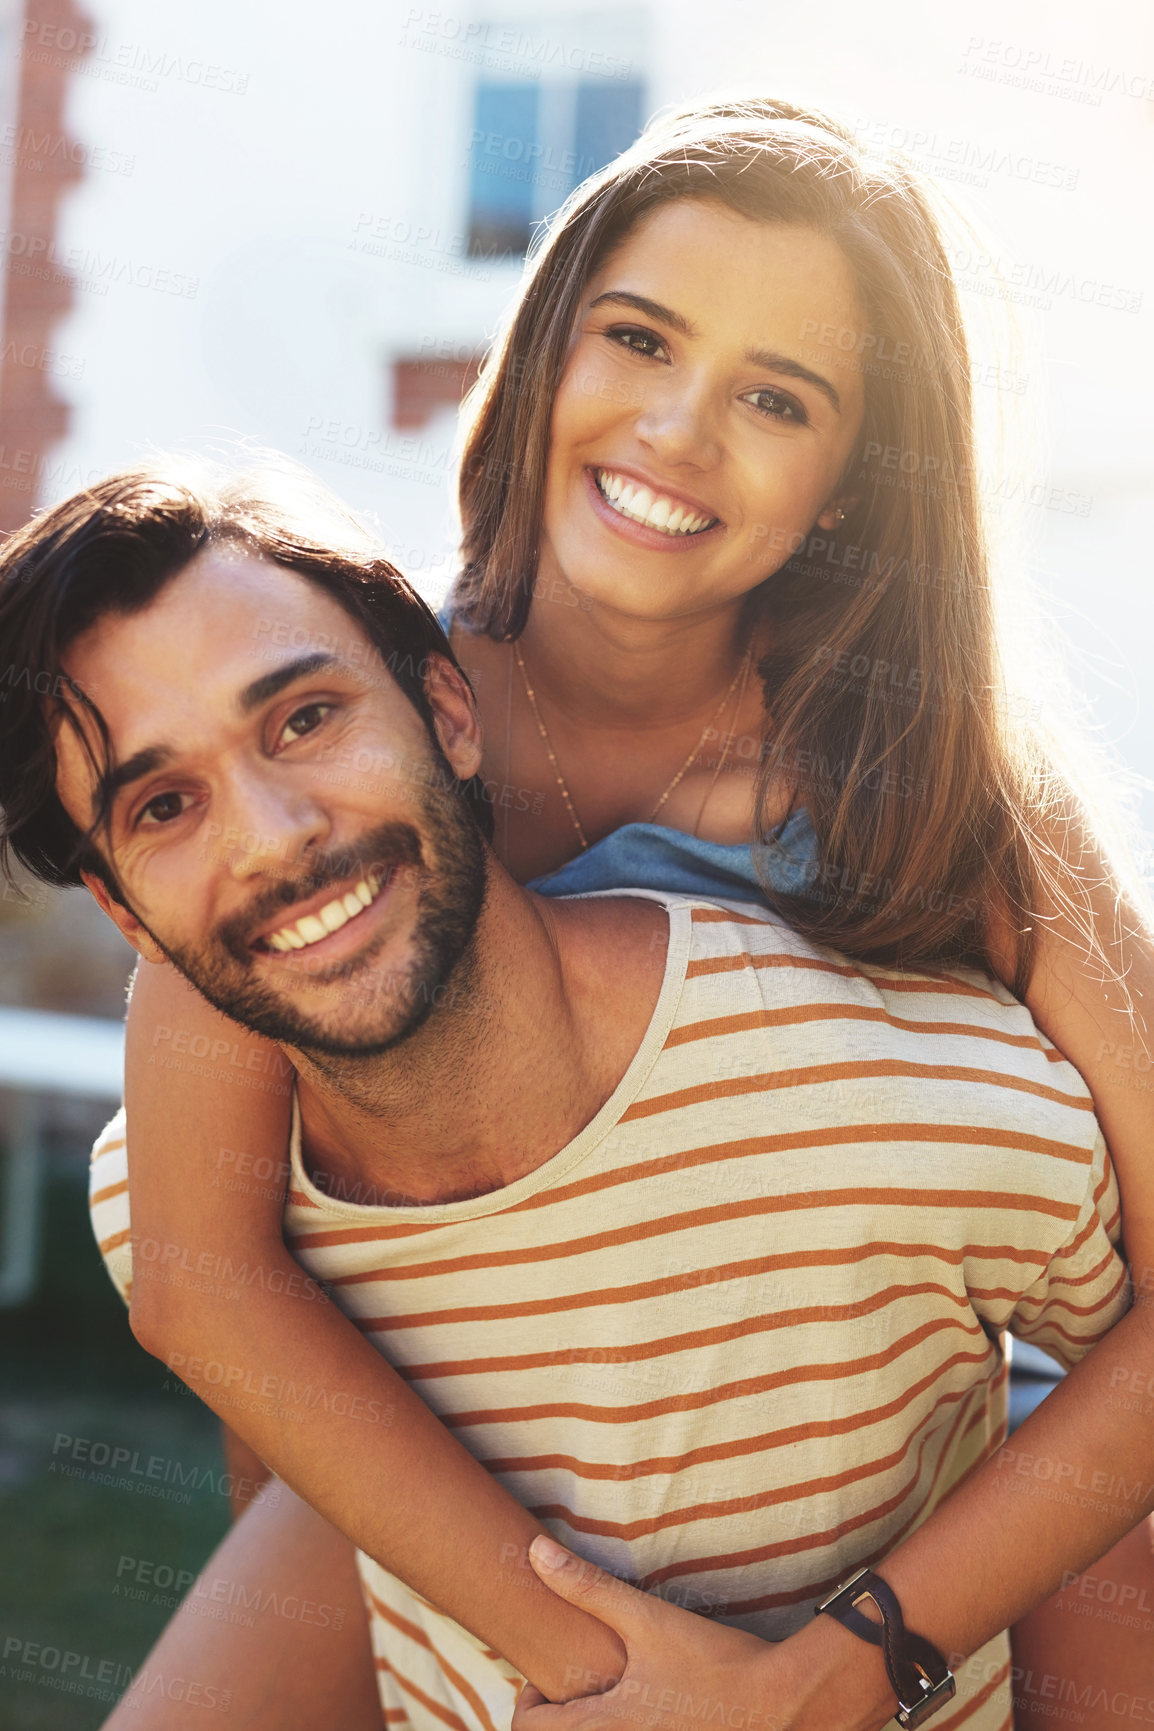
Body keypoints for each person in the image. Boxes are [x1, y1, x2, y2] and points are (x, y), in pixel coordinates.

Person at [96, 96, 1154, 1719]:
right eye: (639, 340)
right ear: (542, 355)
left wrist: (834, 1669)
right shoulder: (334, 732)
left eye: (775, 397)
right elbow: (201, 1271)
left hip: (947, 1478)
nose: (675, 430)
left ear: (856, 480)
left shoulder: (949, 792)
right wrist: (594, 1666)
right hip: (446, 1480)